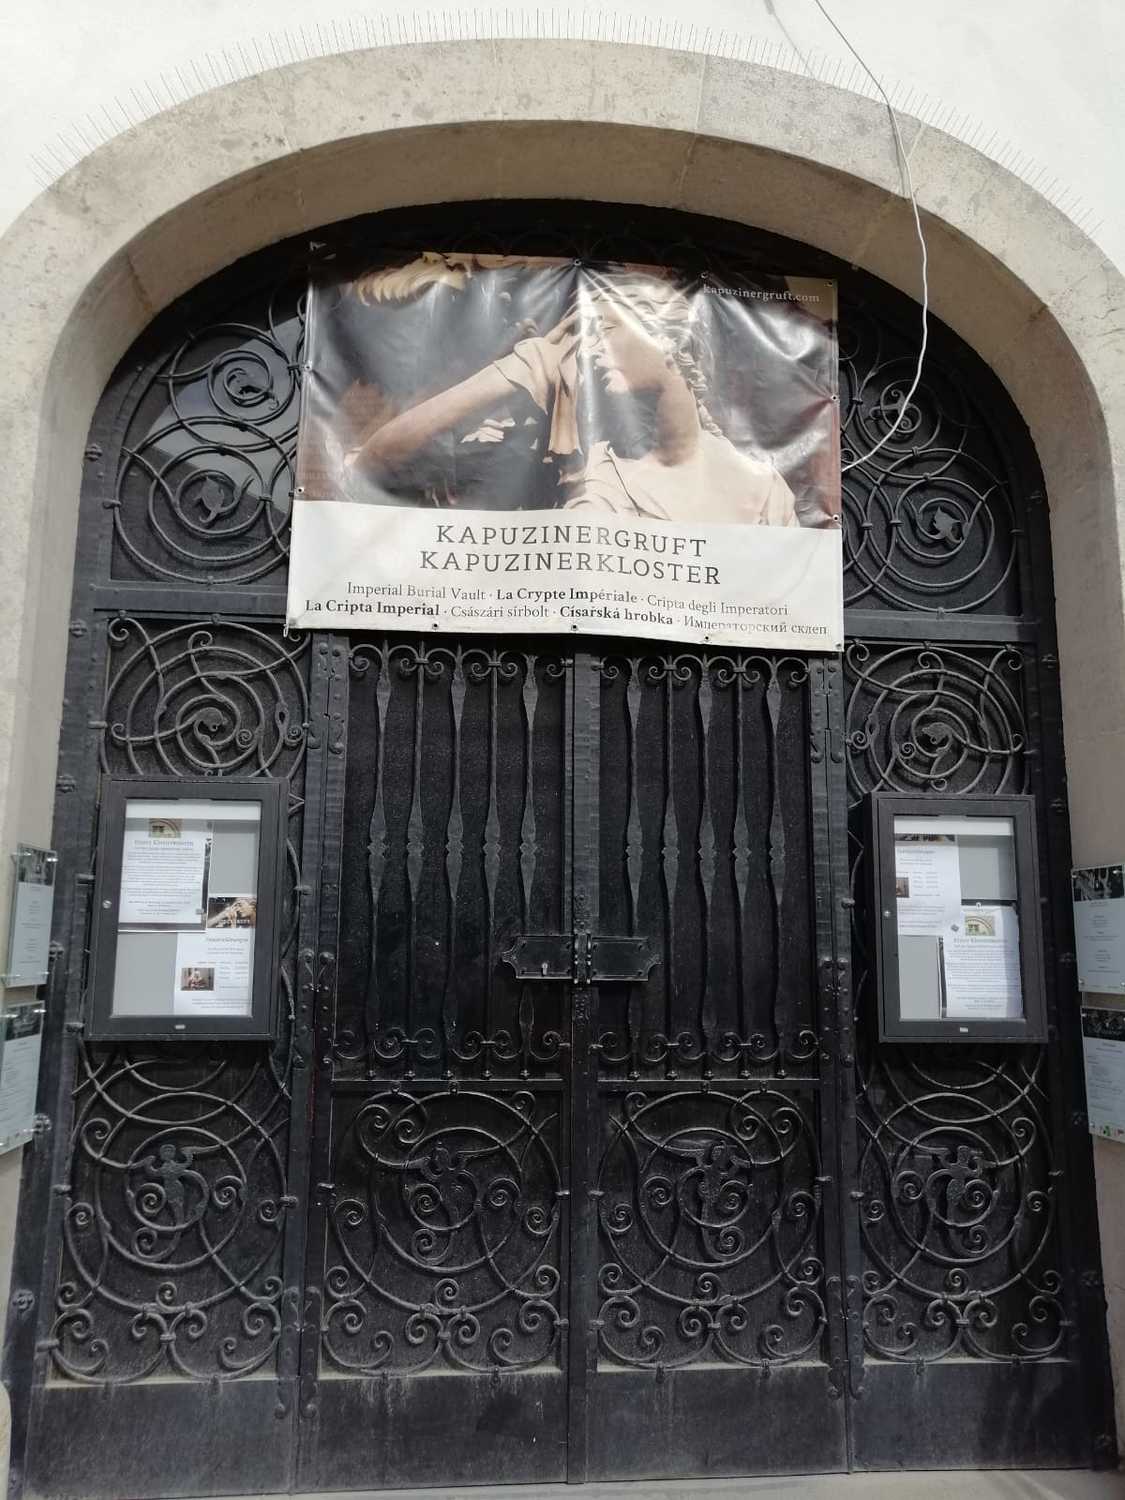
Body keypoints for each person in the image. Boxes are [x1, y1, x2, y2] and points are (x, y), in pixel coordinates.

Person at [346, 266, 798, 525]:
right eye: (586, 336)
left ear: (668, 339)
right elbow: (373, 463)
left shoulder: (762, 490)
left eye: (606, 330)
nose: (591, 349)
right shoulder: (591, 463)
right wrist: (526, 365)